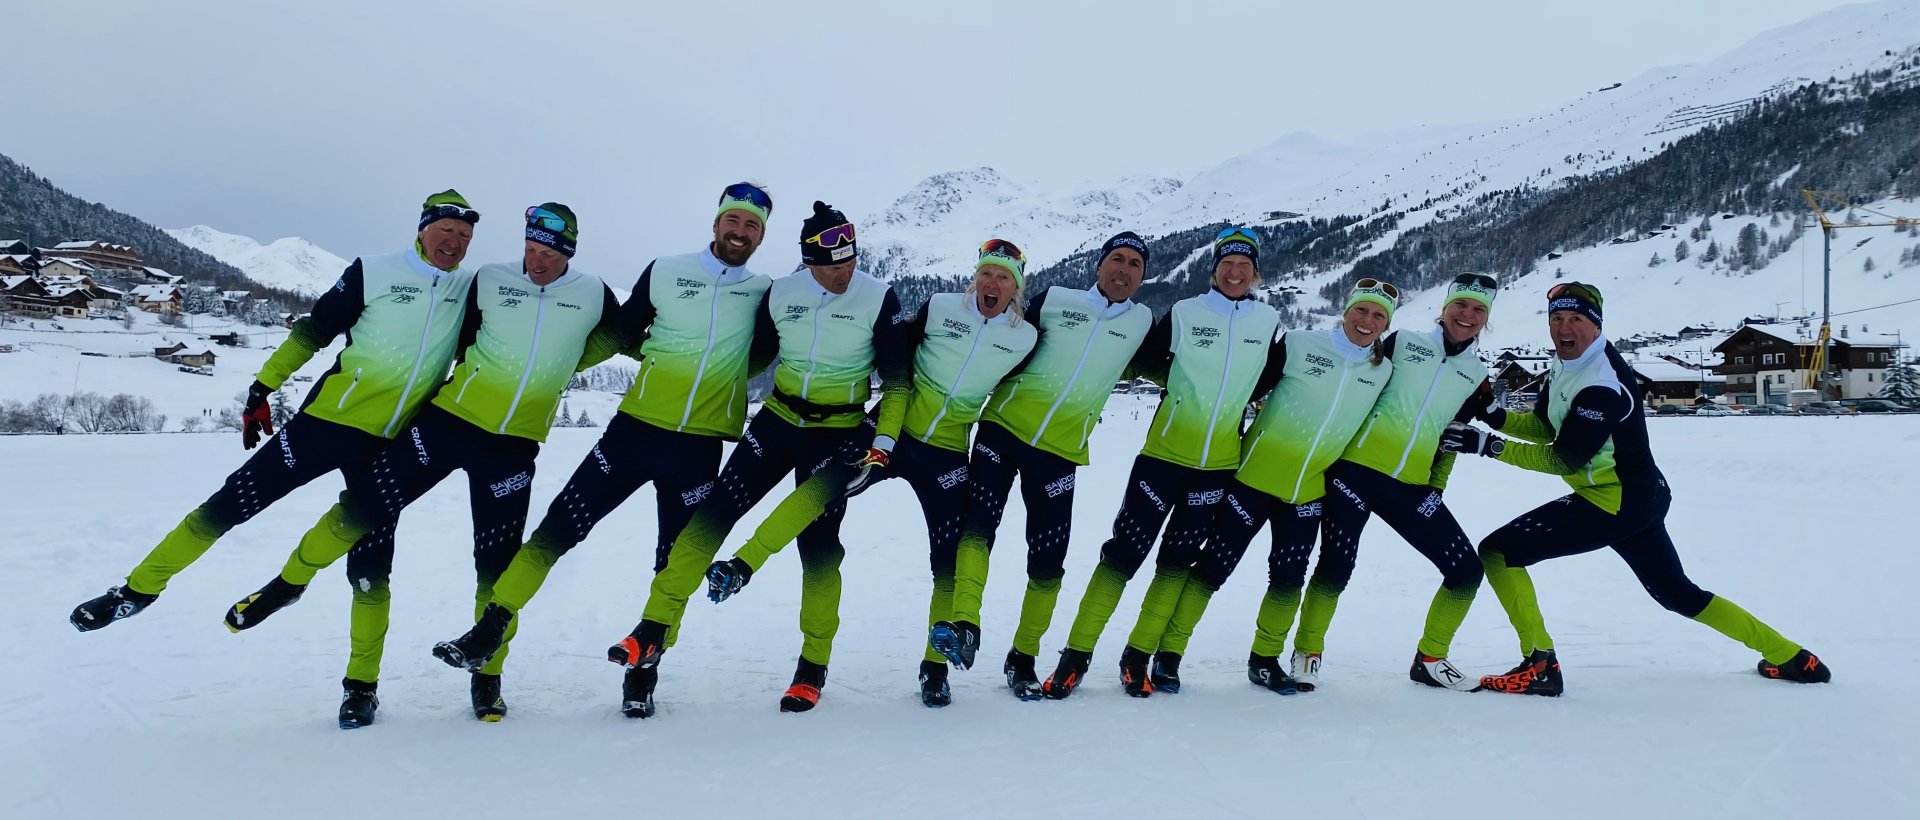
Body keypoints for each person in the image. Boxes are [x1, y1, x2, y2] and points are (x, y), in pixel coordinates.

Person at [221, 205, 628, 727]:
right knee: (359, 510)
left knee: (495, 568)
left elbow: (628, 336)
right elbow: (449, 337)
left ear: (569, 252)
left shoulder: (593, 293)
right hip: (444, 424)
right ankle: (286, 584)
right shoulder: (491, 280)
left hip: (512, 447)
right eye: (530, 249)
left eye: (548, 253)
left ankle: (487, 678)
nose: (536, 262)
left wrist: (569, 358)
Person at [430, 183, 777, 718]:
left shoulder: (763, 291)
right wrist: (554, 368)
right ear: (716, 223)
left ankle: (643, 674)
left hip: (699, 448)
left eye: (751, 225)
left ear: (760, 234)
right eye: (733, 220)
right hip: (633, 432)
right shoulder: (665, 270)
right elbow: (617, 332)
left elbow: (763, 356)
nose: (739, 231)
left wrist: (722, 379)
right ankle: (488, 630)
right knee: (558, 528)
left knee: (674, 564)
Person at [69, 191, 481, 631]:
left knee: (372, 568)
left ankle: (359, 685)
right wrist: (262, 388)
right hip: (326, 425)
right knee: (230, 504)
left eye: (464, 234)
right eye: (445, 230)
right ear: (422, 229)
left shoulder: (471, 290)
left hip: (392, 445)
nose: (454, 242)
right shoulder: (375, 272)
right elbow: (312, 332)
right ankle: (136, 591)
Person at [1441, 281, 1831, 695]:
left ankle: (1540, 665)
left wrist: (1485, 445)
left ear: (1596, 326)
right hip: (1638, 497)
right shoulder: (1566, 364)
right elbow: (1546, 427)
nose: (1564, 328)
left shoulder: (1601, 383)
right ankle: (1792, 656)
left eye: (1576, 319)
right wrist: (1493, 414)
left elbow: (1562, 457)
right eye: (1557, 319)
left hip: (1615, 501)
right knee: (1677, 593)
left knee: (1499, 553)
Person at [601, 201, 913, 714]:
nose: (845, 273)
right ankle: (651, 629)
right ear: (809, 262)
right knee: (709, 519)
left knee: (818, 549)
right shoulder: (781, 293)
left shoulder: (879, 298)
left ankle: (812, 667)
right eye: (834, 265)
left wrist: (884, 445)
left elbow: (899, 384)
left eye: (852, 262)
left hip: (837, 432)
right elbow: (750, 359)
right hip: (777, 422)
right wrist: (673, 360)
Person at [707, 239, 1039, 708]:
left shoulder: (1024, 337)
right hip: (891, 429)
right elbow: (897, 356)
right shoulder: (940, 307)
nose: (992, 283)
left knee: (946, 555)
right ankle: (742, 565)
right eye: (986, 273)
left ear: (1016, 288)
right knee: (819, 488)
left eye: (1003, 277)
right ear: (975, 277)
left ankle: (935, 666)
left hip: (945, 451)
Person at [1039, 228, 1281, 698]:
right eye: (1227, 264)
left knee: (1176, 563)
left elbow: (1267, 376)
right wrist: (1182, 392)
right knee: (1123, 556)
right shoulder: (1186, 313)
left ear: (1255, 273)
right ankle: (1075, 657)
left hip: (1218, 466)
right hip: (1163, 459)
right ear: (1214, 269)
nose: (1235, 273)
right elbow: (1145, 360)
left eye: (1244, 266)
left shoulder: (1267, 321)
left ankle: (1137, 656)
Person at [1130, 279, 1398, 696]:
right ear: (1346, 310)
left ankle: (1265, 660)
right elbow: (1244, 386)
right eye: (1361, 310)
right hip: (1250, 480)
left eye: (1378, 315)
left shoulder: (1382, 372)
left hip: (1307, 491)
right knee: (1212, 570)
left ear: (1386, 325)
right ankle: (1170, 653)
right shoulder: (1300, 343)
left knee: (1289, 578)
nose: (1367, 321)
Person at [929, 231, 1155, 701]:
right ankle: (965, 624)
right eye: (1116, 259)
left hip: (1061, 452)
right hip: (1002, 430)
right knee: (977, 530)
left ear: (1142, 276)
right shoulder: (1054, 300)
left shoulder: (1141, 322)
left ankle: (1023, 657)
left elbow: (1160, 366)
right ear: (1099, 265)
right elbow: (1000, 338)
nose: (1124, 269)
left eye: (1135, 263)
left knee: (1048, 561)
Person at [1290, 272, 1501, 692]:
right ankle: (1307, 651)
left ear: (1486, 320)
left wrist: (1436, 488)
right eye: (1460, 305)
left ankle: (1431, 658)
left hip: (1411, 487)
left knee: (1466, 570)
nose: (1467, 315)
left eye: (1479, 310)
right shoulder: (1401, 343)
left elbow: (1453, 436)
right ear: (1444, 309)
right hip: (1354, 473)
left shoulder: (1475, 374)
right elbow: (1347, 382)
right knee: (1336, 564)